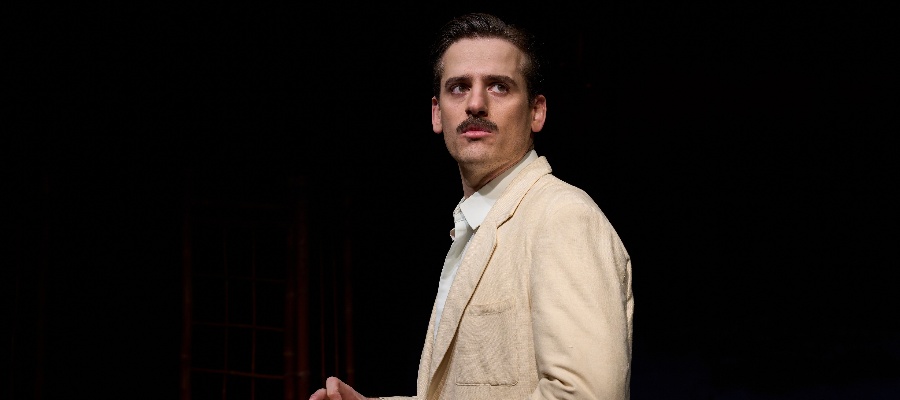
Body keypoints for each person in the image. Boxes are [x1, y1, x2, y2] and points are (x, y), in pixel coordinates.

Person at [311, 12, 633, 400]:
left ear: (536, 112)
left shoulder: (562, 217)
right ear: (437, 113)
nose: (475, 104)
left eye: (499, 87)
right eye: (459, 88)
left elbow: (586, 395)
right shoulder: (477, 225)